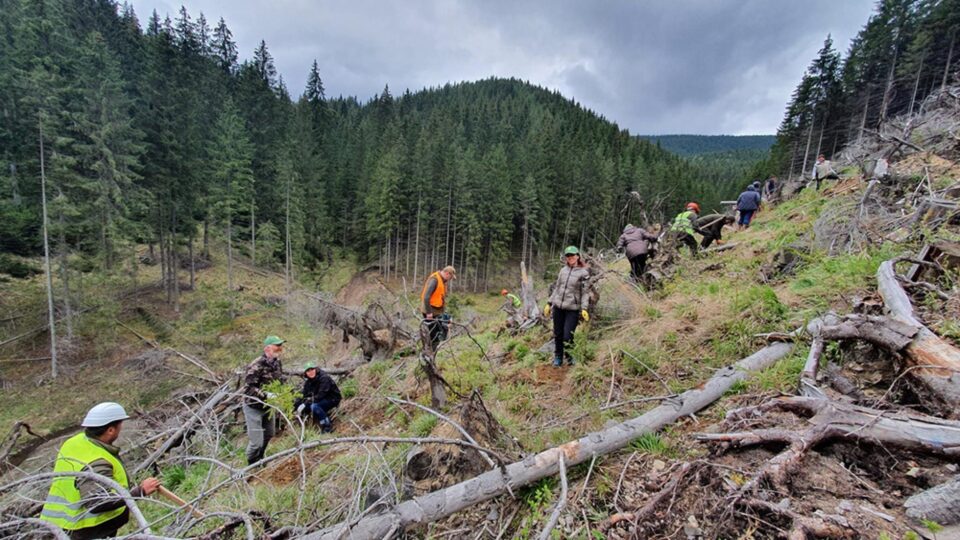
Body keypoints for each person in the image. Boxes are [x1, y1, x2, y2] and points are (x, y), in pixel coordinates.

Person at [40, 402, 161, 539]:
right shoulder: (97, 461)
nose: (121, 428)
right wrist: (140, 492)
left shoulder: (73, 442)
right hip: (86, 529)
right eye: (120, 424)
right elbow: (98, 501)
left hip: (60, 524)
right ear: (110, 430)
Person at [543, 246, 591, 367]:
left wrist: (584, 308)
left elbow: (585, 293)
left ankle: (570, 356)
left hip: (572, 309)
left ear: (578, 256)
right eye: (568, 255)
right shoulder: (563, 271)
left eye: (573, 255)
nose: (570, 257)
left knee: (567, 336)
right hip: (558, 307)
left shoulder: (584, 273)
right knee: (558, 334)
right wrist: (549, 303)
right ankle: (558, 357)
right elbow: (557, 288)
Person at [242, 335, 286, 465]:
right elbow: (248, 389)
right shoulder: (256, 365)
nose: (280, 348)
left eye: (280, 346)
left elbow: (279, 380)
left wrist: (283, 392)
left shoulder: (277, 363)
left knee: (269, 434)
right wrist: (266, 395)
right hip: (253, 407)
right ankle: (251, 464)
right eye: (277, 346)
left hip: (268, 406)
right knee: (256, 442)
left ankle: (260, 459)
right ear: (267, 348)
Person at [295, 361, 341, 433]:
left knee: (314, 406)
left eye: (312, 369)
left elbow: (321, 394)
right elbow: (305, 395)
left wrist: (306, 403)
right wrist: (299, 404)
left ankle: (327, 426)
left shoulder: (324, 378)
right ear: (306, 373)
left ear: (315, 369)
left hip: (332, 398)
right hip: (320, 399)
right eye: (308, 371)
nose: (311, 372)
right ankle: (305, 427)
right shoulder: (308, 382)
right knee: (300, 404)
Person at [420, 266, 456, 353]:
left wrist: (445, 313)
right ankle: (429, 353)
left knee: (439, 332)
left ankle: (432, 352)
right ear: (447, 274)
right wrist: (429, 313)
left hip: (437, 311)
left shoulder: (443, 281)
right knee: (433, 335)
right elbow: (426, 297)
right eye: (450, 277)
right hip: (430, 311)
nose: (450, 279)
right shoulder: (435, 280)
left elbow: (440, 298)